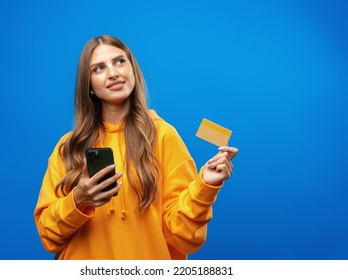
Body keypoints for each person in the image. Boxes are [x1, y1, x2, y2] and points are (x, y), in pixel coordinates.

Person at [34, 34, 238, 260]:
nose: (113, 73)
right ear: (88, 85)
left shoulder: (163, 136)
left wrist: (206, 187)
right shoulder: (68, 147)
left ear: (133, 69)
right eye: (99, 68)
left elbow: (185, 237)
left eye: (120, 61)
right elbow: (48, 236)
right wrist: (78, 201)